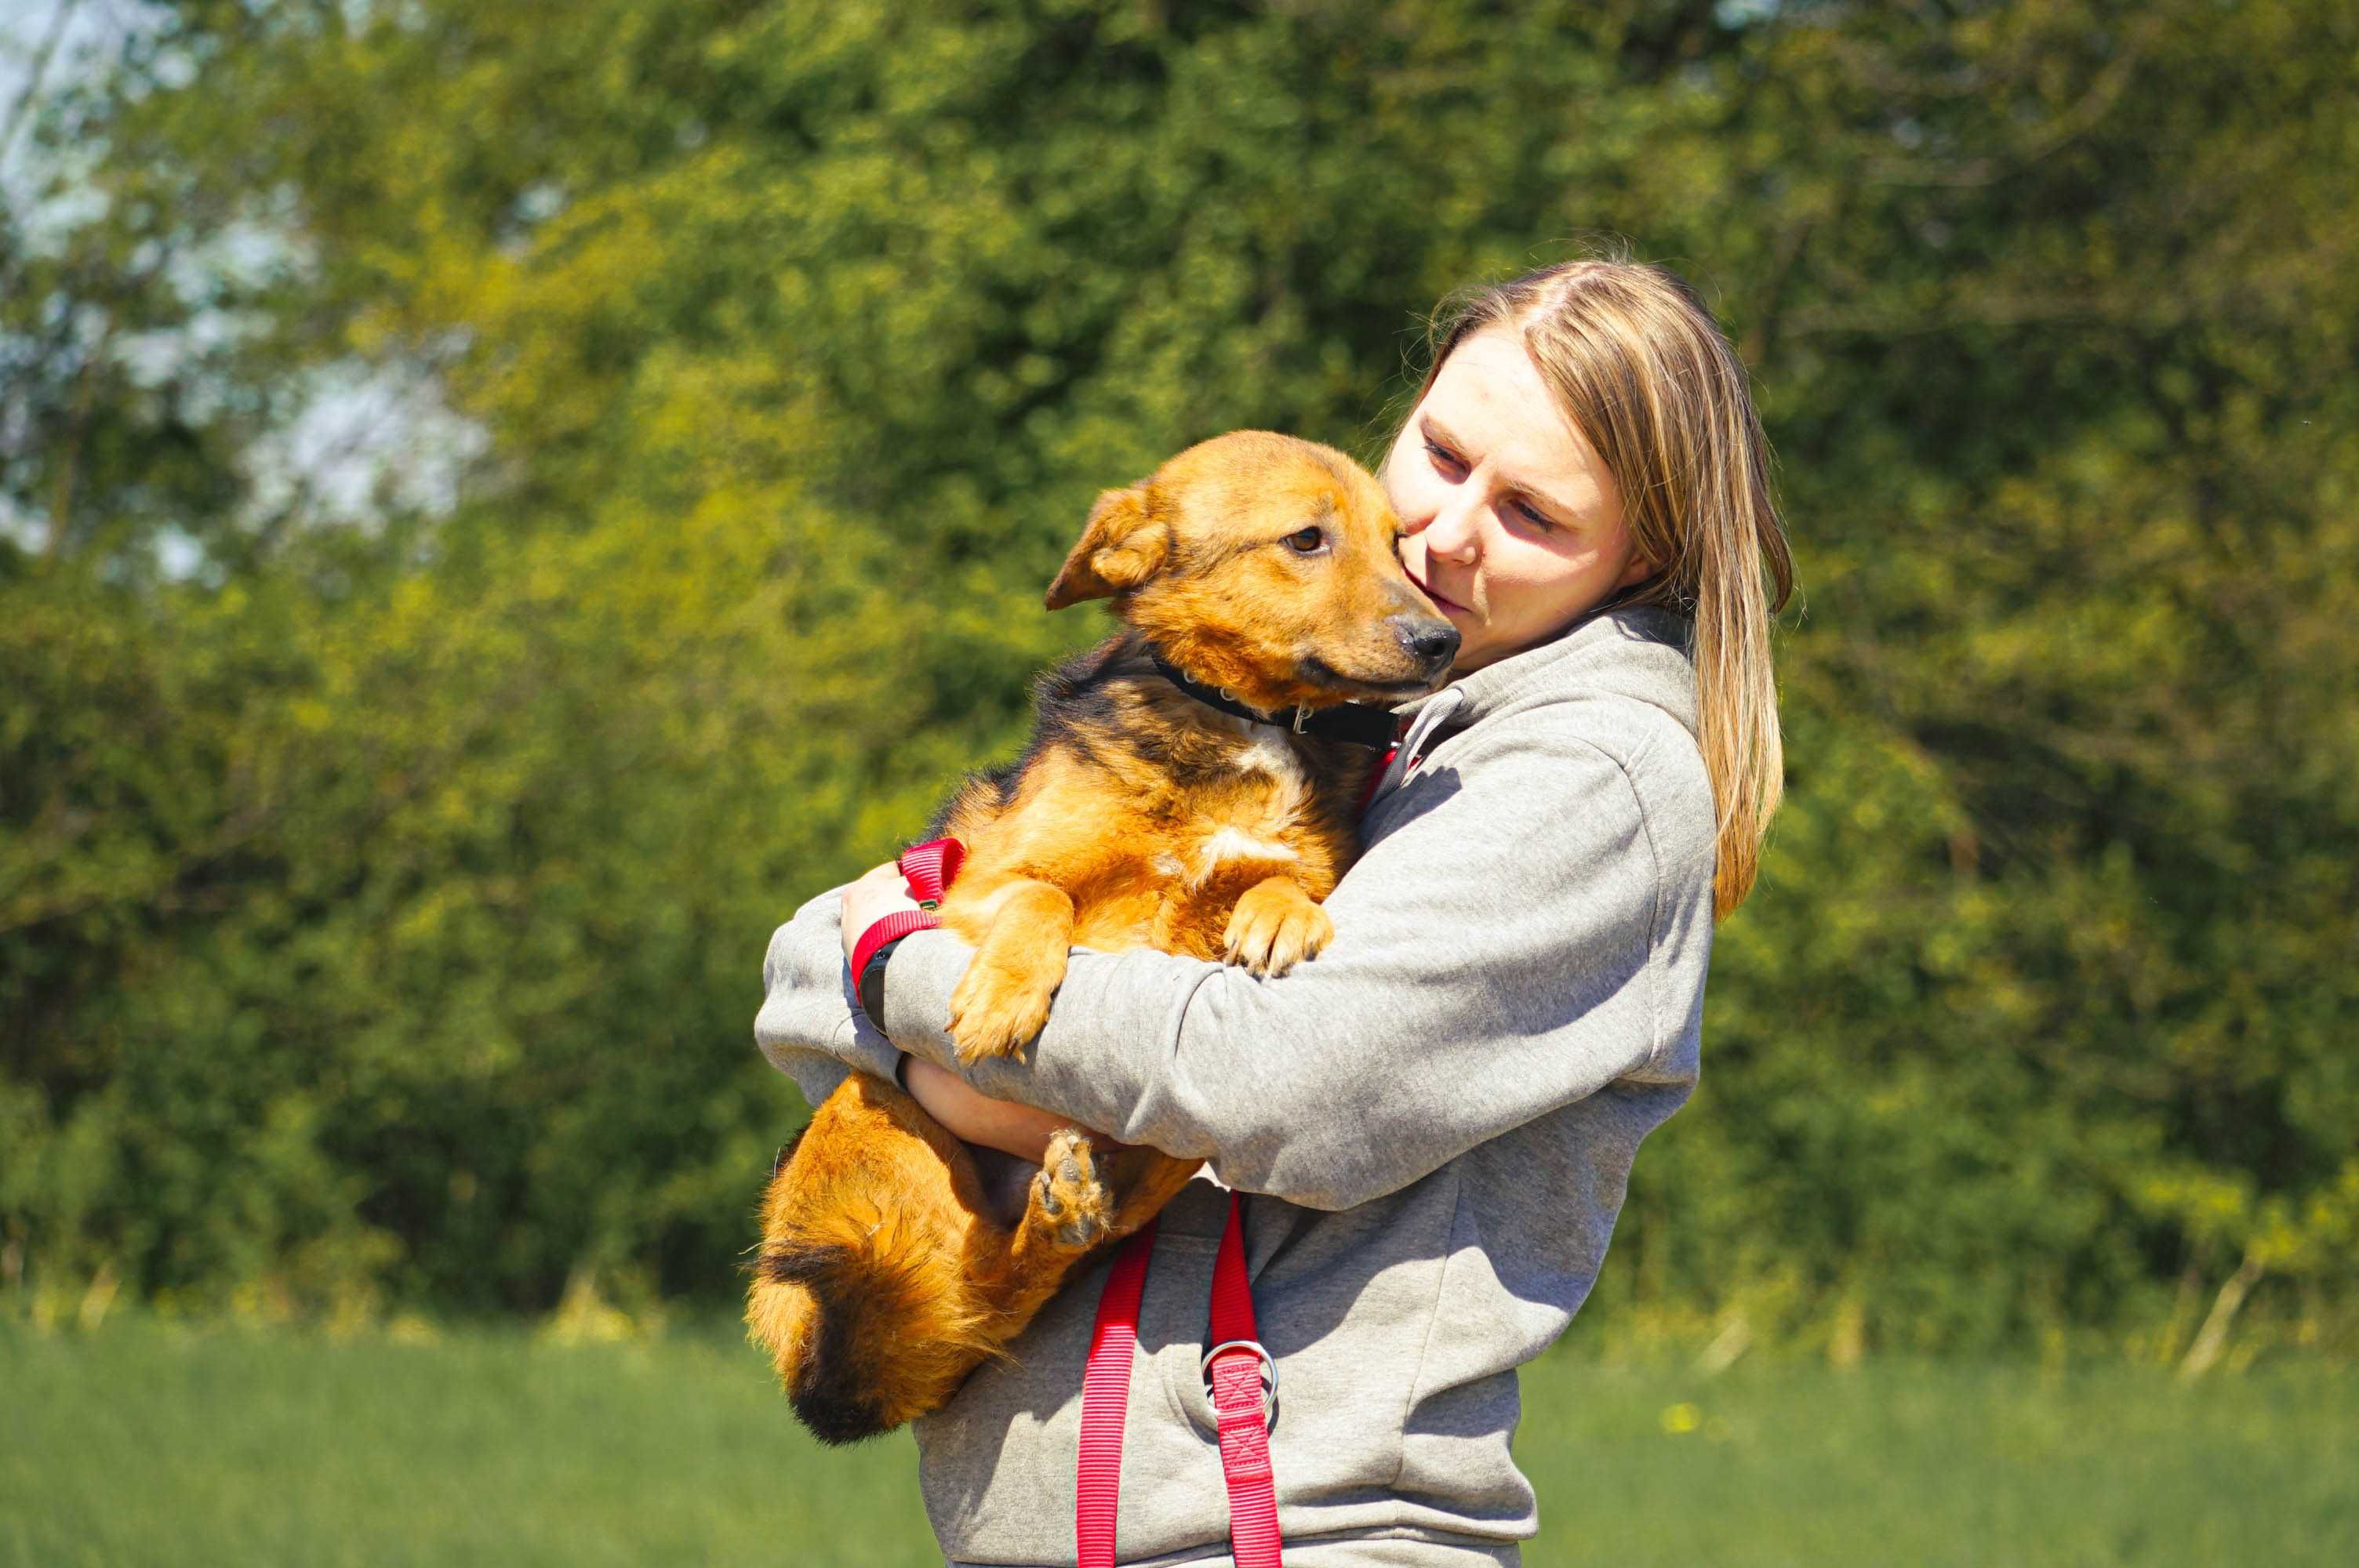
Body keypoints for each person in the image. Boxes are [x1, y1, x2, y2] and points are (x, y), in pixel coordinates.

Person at [755, 256, 1794, 1568]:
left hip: (1293, 1533)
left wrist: (894, 978)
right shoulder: (1343, 714)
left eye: (1530, 511)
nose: (1446, 532)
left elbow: (1280, 1082)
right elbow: (801, 972)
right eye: (1443, 451)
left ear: (1642, 551)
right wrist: (888, 970)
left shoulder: (1587, 775)